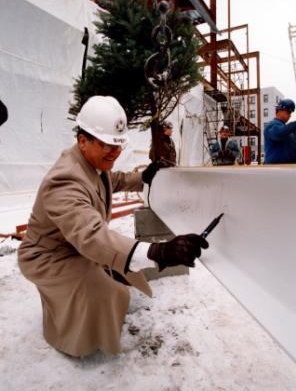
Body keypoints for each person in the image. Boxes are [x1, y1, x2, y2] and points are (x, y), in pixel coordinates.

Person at [18, 96, 209, 358]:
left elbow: (113, 180)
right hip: (48, 257)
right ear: (82, 140)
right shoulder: (64, 180)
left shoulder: (91, 162)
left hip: (73, 246)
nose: (116, 153)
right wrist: (158, 252)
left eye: (119, 145)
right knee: (102, 291)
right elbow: (91, 235)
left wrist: (144, 176)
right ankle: (72, 341)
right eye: (108, 144)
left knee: (114, 282)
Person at [264, 98, 296, 164]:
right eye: (288, 111)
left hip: (289, 169)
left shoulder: (289, 133)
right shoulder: (271, 126)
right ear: (279, 110)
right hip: (274, 169)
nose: (290, 115)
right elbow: (278, 134)